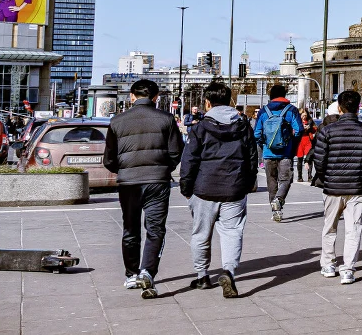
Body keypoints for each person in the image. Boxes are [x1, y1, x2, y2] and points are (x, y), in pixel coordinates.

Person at [103, 79, 183, 298]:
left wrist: (124, 168)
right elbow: (176, 152)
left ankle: (131, 274)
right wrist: (164, 168)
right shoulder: (167, 119)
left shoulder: (117, 121)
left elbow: (109, 159)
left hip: (128, 183)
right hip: (157, 182)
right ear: (156, 98)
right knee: (155, 229)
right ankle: (147, 271)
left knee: (130, 229)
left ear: (131, 96)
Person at [179, 81, 258, 298]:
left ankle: (202, 275)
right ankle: (229, 271)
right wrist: (249, 183)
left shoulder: (200, 128)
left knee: (201, 234)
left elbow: (190, 160)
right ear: (229, 101)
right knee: (232, 232)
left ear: (207, 103)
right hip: (234, 188)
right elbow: (252, 157)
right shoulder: (243, 125)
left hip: (203, 188)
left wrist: (186, 187)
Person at [310, 90, 362, 284]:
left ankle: (329, 264)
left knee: (329, 227)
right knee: (354, 229)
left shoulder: (327, 131)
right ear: (358, 107)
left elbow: (319, 160)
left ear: (339, 108)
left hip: (332, 187)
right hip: (357, 187)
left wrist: (326, 178)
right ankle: (348, 269)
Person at [254, 83, 303, 222]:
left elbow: (257, 133)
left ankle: (275, 211)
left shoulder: (264, 111)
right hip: (286, 152)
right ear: (284, 95)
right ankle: (279, 199)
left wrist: (265, 144)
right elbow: (299, 130)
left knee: (271, 182)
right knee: (286, 180)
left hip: (268, 153)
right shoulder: (291, 110)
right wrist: (291, 142)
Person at [294, 108, 316, 183]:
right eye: (303, 115)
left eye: (305, 116)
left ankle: (310, 176)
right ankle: (300, 176)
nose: (304, 117)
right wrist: (301, 128)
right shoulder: (296, 121)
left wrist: (310, 128)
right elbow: (293, 130)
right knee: (299, 158)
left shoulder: (309, 121)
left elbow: (315, 129)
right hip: (300, 140)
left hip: (307, 140)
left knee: (309, 158)